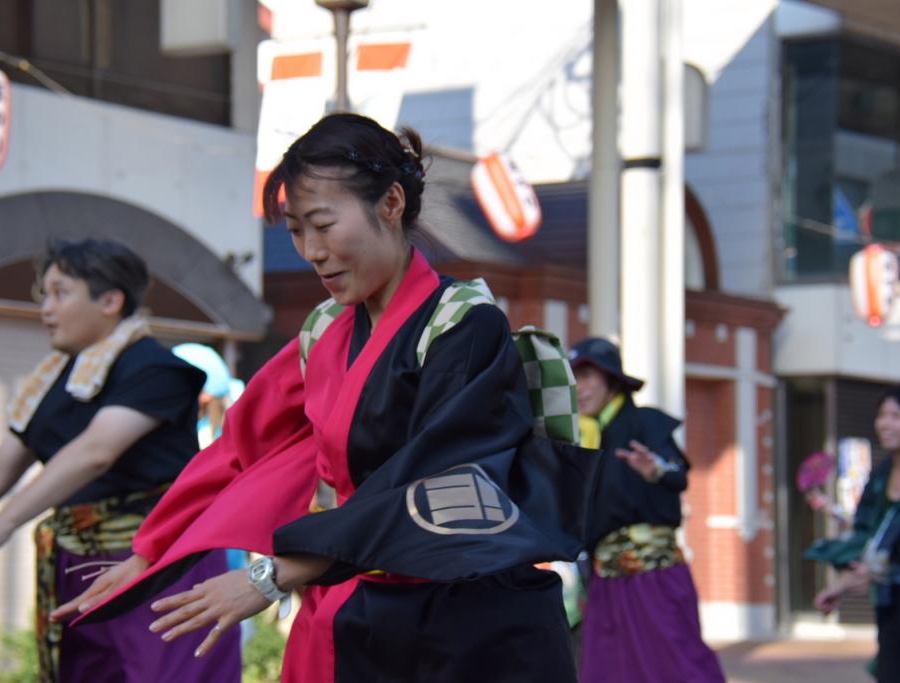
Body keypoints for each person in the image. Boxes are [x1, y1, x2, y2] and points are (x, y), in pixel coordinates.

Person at [52, 113, 596, 682]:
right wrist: (150, 551)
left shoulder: (464, 324)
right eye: (294, 229)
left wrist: (274, 575)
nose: (311, 250)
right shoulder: (325, 328)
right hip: (348, 602)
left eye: (322, 223)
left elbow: (435, 483)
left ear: (391, 203)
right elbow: (242, 447)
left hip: (462, 626)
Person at [0, 238, 240, 682]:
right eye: (43, 295)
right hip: (79, 566)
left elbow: (95, 453)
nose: (46, 309)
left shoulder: (155, 368)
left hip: (159, 565)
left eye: (60, 293)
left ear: (110, 301)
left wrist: (3, 523)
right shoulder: (56, 380)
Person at [570, 337, 725, 683]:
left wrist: (656, 470)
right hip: (603, 581)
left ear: (611, 380)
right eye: (573, 379)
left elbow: (677, 474)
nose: (579, 388)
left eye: (587, 377)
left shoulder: (644, 423)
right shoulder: (584, 438)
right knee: (606, 670)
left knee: (673, 664)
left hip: (653, 578)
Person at [808, 383, 900, 683]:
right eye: (882, 414)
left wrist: (881, 564)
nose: (884, 423)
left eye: (896, 415)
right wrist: (841, 583)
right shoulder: (881, 474)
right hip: (891, 601)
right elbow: (867, 535)